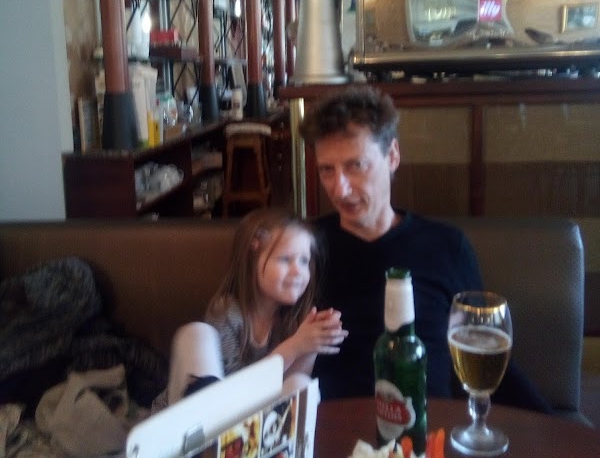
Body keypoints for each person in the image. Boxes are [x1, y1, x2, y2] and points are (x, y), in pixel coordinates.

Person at [299, 84, 551, 412]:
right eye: (326, 170)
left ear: (392, 156)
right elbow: (261, 339)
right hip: (331, 428)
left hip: (430, 431)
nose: (339, 189)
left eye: (355, 166)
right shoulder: (303, 248)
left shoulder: (446, 247)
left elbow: (484, 350)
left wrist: (551, 429)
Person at [159, 207, 348, 408]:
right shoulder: (227, 312)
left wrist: (312, 345)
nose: (298, 271)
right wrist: (295, 345)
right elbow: (231, 391)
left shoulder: (297, 318)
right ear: (252, 262)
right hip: (205, 412)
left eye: (304, 261)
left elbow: (291, 383)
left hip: (257, 418)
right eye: (285, 259)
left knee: (301, 384)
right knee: (196, 333)